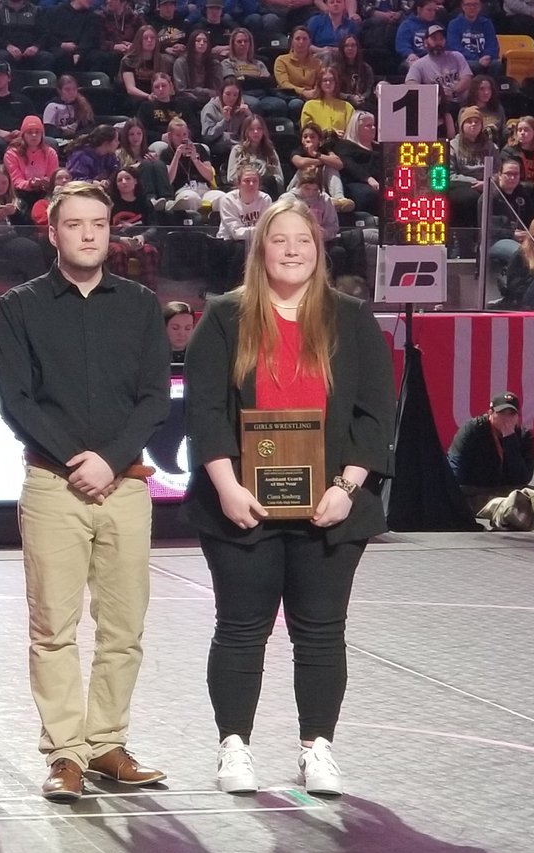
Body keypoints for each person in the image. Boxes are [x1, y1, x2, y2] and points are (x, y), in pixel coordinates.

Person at [181, 195, 395, 798]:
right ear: (261, 249)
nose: (293, 250)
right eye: (280, 240)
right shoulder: (224, 317)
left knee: (322, 631)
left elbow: (376, 416)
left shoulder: (351, 318)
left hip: (330, 506)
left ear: (318, 249)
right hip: (240, 505)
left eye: (304, 240)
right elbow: (205, 412)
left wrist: (347, 488)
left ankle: (316, 748)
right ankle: (234, 749)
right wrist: (226, 487)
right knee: (241, 628)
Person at [0, 180, 172, 804]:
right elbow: (15, 400)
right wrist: (78, 461)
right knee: (54, 628)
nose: (91, 233)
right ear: (54, 232)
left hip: (127, 486)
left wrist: (113, 460)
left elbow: (155, 396)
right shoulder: (21, 306)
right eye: (76, 224)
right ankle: (65, 753)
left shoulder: (143, 306)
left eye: (100, 223)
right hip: (52, 485)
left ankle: (107, 744)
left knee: (124, 627)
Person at [447, 391, 534, 531]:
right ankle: (524, 516)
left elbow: (523, 478)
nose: (507, 418)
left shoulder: (524, 436)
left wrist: (509, 441)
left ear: (518, 417)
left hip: (507, 489)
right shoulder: (472, 430)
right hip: (475, 490)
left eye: (512, 414)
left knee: (531, 492)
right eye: (502, 413)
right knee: (504, 503)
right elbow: (455, 473)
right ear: (490, 412)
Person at [108, 165, 161, 289]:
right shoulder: (109, 203)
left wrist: (143, 237)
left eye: (128, 178)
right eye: (119, 180)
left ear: (135, 181)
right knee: (118, 252)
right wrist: (119, 239)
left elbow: (154, 227)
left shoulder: (145, 202)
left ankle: (149, 294)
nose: (124, 182)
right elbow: (101, 229)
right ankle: (120, 292)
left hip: (140, 241)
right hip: (117, 241)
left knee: (149, 251)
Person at [446, 0, 501, 78]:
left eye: (475, 4)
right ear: (463, 6)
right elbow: (454, 47)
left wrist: (487, 55)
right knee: (474, 65)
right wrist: (476, 58)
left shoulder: (487, 23)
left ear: (480, 6)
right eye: (468, 5)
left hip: (484, 58)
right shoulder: (454, 24)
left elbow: (492, 44)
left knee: (496, 64)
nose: (472, 8)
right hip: (466, 59)